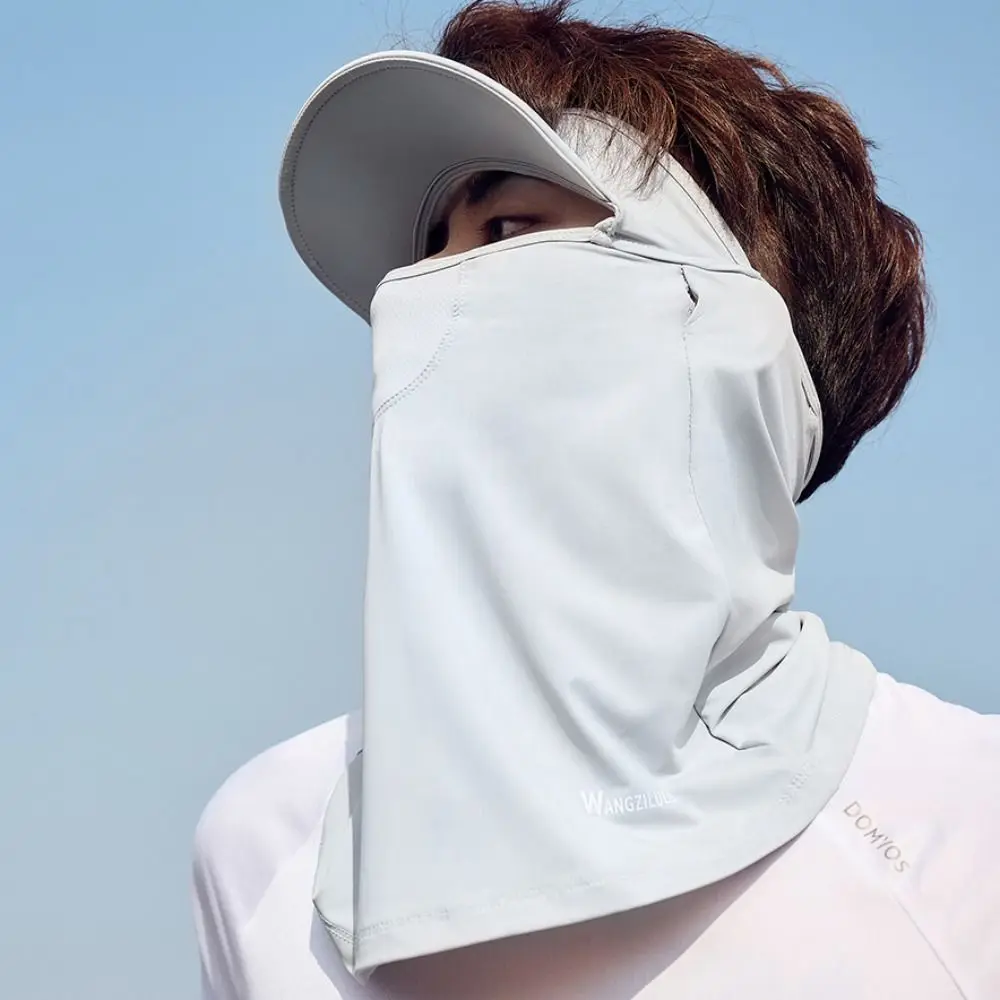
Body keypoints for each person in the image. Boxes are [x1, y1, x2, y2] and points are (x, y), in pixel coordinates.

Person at [192, 2, 1000, 998]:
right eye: (427, 253)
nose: (417, 297)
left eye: (509, 228)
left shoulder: (967, 820)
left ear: (741, 343)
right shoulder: (265, 846)